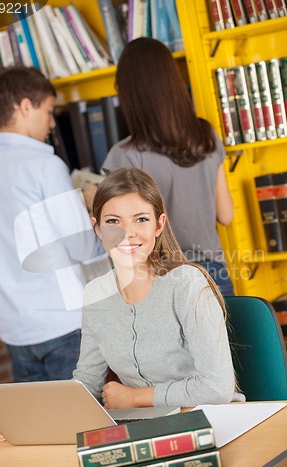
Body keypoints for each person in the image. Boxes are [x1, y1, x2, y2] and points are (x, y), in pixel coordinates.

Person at [0, 66, 100, 382]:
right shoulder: (45, 165)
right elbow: (83, 247)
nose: (53, 123)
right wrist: (92, 206)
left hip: (15, 331)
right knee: (85, 426)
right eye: (49, 111)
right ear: (25, 107)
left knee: (41, 429)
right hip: (63, 323)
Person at [73, 168, 244, 408]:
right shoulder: (96, 293)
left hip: (211, 419)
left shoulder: (186, 283)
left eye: (141, 219)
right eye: (113, 221)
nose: (127, 233)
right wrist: (33, 423)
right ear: (97, 228)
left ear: (159, 224)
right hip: (147, 426)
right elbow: (88, 380)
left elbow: (217, 388)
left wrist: (134, 398)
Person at [102, 37, 235, 296]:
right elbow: (226, 214)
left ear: (129, 94)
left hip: (162, 278)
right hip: (214, 277)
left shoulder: (124, 156)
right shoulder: (206, 136)